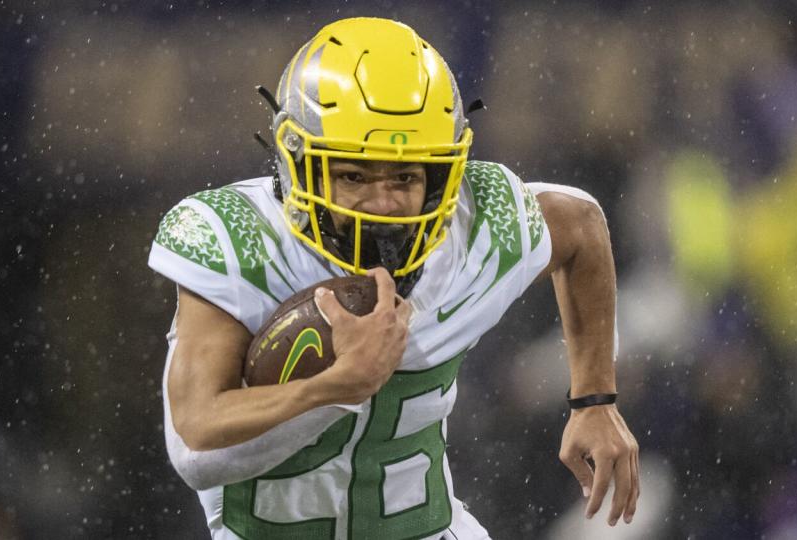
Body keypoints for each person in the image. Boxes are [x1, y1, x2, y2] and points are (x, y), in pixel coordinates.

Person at [148, 17, 639, 539]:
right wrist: (335, 386)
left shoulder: (478, 225)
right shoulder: (238, 237)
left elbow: (582, 224)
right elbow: (197, 443)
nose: (382, 204)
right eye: (354, 175)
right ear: (299, 165)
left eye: (404, 175)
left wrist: (595, 401)